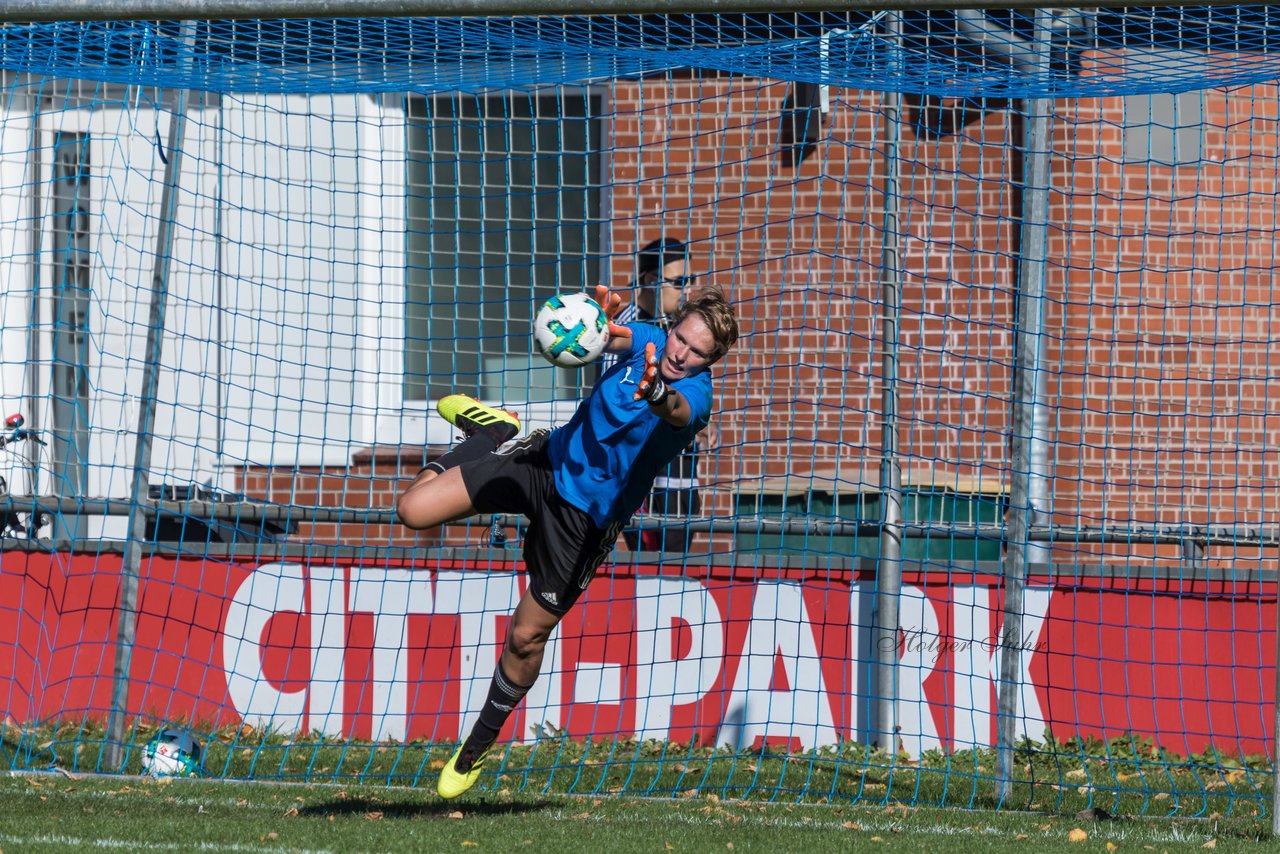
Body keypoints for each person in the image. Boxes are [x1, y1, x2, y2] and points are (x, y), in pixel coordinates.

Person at [395, 283, 739, 799]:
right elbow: (612, 335)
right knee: (412, 510)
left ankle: (475, 750)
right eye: (680, 340)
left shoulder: (695, 393)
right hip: (545, 463)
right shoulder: (650, 338)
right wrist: (593, 321)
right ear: (673, 329)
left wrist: (656, 393)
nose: (680, 354)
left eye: (696, 353)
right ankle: (490, 434)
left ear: (710, 360)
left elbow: (678, 413)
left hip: (584, 524)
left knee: (525, 637)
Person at [604, 237, 704, 554]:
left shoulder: (677, 329)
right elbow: (617, 400)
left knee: (677, 559)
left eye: (692, 281)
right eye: (679, 282)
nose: (687, 290)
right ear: (650, 280)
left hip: (678, 467)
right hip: (640, 465)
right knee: (650, 562)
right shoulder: (626, 330)